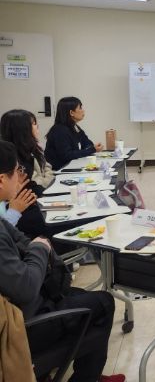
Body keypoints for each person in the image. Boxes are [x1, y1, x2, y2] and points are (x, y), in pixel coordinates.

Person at [0, 140, 124, 382]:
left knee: (79, 295)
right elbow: (26, 286)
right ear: (2, 180)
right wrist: (39, 249)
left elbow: (22, 239)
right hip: (23, 325)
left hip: (25, 307)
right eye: (17, 170)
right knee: (103, 303)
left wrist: (36, 247)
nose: (21, 176)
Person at [1, 109, 53, 238]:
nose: (37, 126)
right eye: (33, 124)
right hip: (20, 211)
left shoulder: (29, 150)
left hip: (27, 205)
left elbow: (33, 182)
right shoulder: (9, 156)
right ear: (22, 129)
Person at [45, 97, 103, 171]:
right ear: (71, 113)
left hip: (71, 166)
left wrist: (91, 148)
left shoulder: (74, 127)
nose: (83, 110)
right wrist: (91, 150)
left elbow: (87, 143)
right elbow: (67, 155)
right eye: (80, 108)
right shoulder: (60, 130)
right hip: (60, 170)